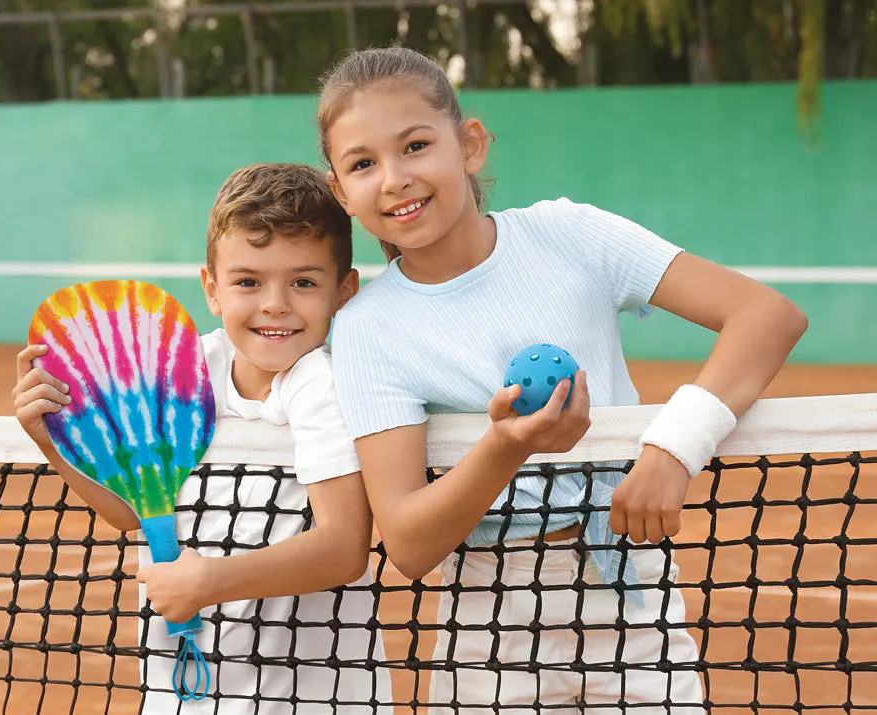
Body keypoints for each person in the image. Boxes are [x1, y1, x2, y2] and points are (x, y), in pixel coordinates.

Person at [317, 46, 807, 713]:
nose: (395, 178)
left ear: (470, 144)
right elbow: (407, 540)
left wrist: (674, 449)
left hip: (629, 588)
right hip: (487, 624)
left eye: (415, 145)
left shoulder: (570, 234)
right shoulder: (367, 329)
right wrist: (506, 445)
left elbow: (766, 315)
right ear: (341, 192)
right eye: (364, 164)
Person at [12, 163, 391, 714]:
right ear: (212, 288)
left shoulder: (321, 384)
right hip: (185, 695)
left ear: (344, 291)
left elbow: (343, 547)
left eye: (304, 282)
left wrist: (208, 583)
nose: (275, 303)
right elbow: (132, 508)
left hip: (309, 697)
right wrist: (52, 445)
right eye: (248, 281)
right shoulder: (184, 370)